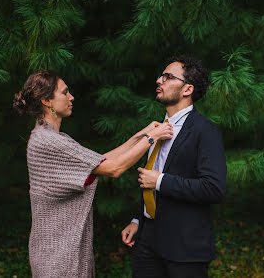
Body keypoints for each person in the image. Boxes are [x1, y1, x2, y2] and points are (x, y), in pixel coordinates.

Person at [12, 70, 173, 278]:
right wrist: (151, 138)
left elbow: (99, 162)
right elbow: (113, 169)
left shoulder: (51, 137)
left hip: (61, 251)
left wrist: (140, 135)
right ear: (47, 101)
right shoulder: (49, 142)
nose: (71, 97)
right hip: (56, 257)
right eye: (64, 93)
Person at [121, 56, 227, 278]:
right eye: (161, 75)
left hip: (184, 246)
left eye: (168, 77)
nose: (159, 80)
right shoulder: (156, 129)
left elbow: (213, 188)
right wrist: (137, 219)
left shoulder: (205, 131)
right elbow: (149, 176)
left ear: (187, 89)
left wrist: (160, 181)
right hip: (147, 242)